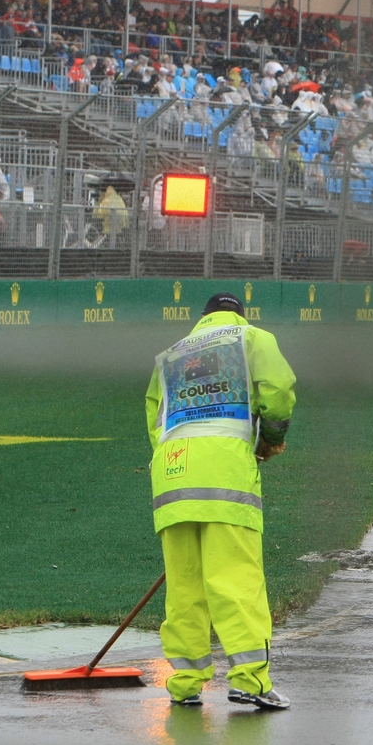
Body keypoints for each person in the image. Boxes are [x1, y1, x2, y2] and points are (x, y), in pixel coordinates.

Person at [145, 292, 297, 710]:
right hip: (225, 475)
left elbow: (154, 420)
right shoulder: (251, 337)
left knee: (184, 587)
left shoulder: (172, 354)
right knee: (236, 582)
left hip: (172, 476)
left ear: (203, 318)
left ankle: (186, 681)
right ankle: (250, 679)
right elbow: (279, 391)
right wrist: (271, 438)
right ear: (237, 314)